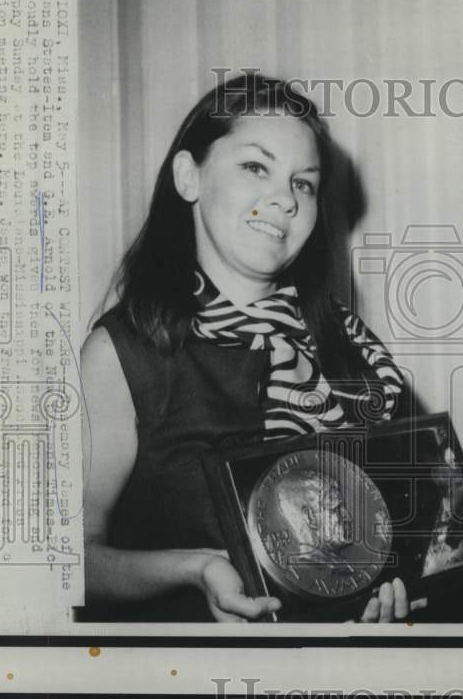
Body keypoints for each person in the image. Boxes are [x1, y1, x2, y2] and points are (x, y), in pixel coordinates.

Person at [81, 73, 420, 623]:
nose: (284, 199)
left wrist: (396, 585)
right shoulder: (123, 355)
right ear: (189, 177)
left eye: (303, 183)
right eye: (255, 167)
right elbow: (66, 560)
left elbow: (399, 531)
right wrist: (194, 570)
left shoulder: (354, 352)